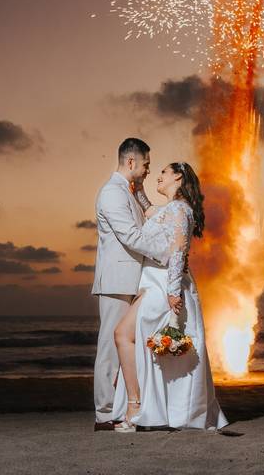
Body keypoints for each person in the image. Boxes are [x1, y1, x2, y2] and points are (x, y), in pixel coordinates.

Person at [110, 161, 228, 431]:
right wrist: (138, 188)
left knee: (125, 335)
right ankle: (144, 406)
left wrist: (173, 292)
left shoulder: (178, 210)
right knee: (138, 341)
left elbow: (178, 251)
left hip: (163, 284)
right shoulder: (173, 209)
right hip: (155, 282)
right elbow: (150, 210)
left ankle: (136, 405)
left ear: (178, 176)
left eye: (163, 172)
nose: (158, 177)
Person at [91, 138, 166, 431]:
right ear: (131, 162)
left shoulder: (128, 191)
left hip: (133, 279)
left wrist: (142, 194)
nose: (149, 170)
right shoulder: (111, 193)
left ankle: (125, 408)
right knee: (110, 347)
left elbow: (148, 218)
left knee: (130, 348)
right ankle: (105, 413)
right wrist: (166, 255)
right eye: (146, 164)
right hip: (117, 280)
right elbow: (131, 237)